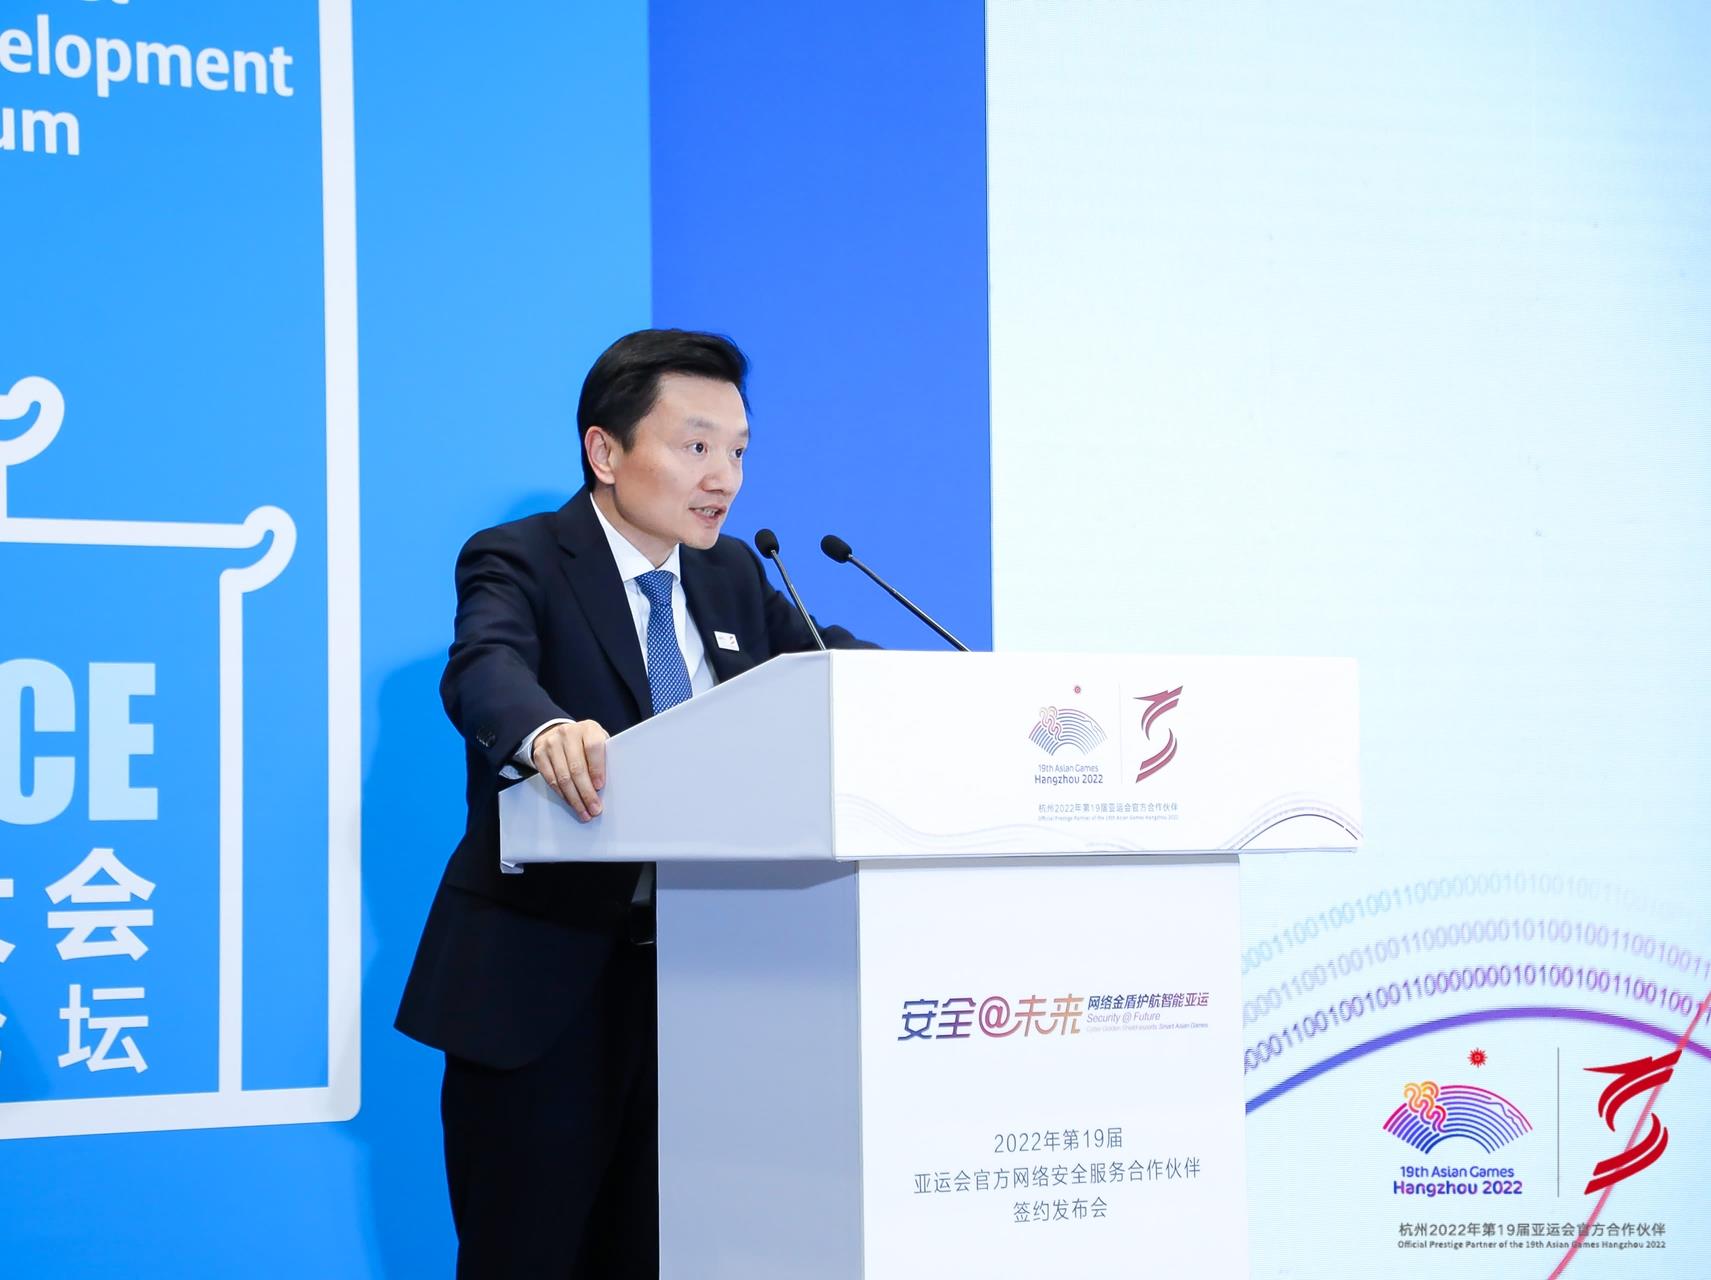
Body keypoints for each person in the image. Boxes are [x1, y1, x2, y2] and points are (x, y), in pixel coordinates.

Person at [395, 329, 868, 1277]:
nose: (724, 479)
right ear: (605, 452)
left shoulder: (733, 574)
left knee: (662, 1254)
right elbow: (485, 667)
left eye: (738, 451)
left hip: (707, 991)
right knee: (526, 1256)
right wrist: (542, 731)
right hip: (544, 986)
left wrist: (926, 693)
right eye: (695, 446)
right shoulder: (521, 556)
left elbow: (823, 667)